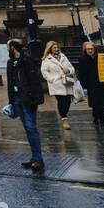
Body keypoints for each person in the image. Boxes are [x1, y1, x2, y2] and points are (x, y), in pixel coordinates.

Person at [6, 38, 46, 173]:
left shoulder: (26, 61)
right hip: (17, 99)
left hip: (28, 99)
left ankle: (39, 159)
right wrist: (11, 101)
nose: (7, 50)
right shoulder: (10, 63)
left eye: (8, 48)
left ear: (13, 48)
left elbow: (35, 81)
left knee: (31, 128)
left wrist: (34, 99)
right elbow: (10, 84)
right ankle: (34, 157)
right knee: (27, 129)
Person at [40, 41, 77, 130]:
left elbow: (72, 68)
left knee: (68, 101)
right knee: (61, 101)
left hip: (67, 82)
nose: (57, 49)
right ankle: (64, 119)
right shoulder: (46, 60)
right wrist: (52, 79)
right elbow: (44, 72)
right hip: (57, 84)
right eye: (54, 48)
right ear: (50, 50)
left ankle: (64, 114)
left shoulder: (64, 57)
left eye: (57, 47)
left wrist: (68, 70)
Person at [76, 40, 104, 130]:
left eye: (91, 49)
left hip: (101, 83)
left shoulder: (99, 57)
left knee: (102, 103)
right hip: (91, 84)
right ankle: (96, 118)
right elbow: (81, 74)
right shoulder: (82, 59)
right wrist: (84, 85)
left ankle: (102, 119)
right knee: (95, 104)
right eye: (88, 49)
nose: (90, 51)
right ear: (85, 50)